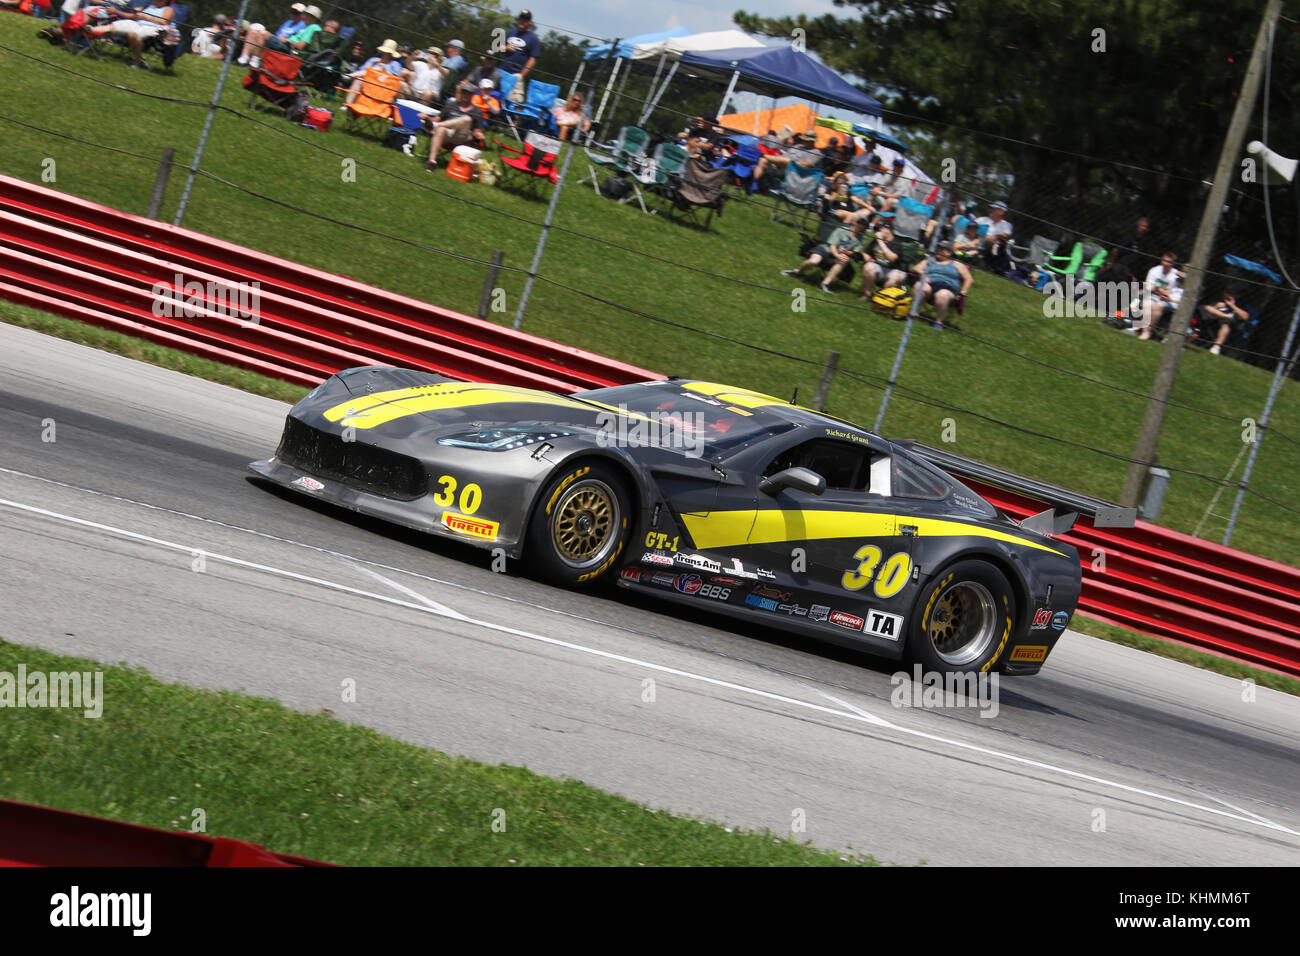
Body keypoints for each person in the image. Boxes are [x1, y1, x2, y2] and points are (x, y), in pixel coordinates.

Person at [780, 218, 869, 293]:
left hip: (838, 257)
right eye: (859, 223)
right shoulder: (842, 230)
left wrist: (847, 252)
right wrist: (837, 255)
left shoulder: (860, 239)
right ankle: (798, 272)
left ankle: (825, 284)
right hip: (825, 250)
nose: (860, 227)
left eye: (863, 226)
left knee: (845, 260)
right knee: (813, 261)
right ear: (854, 222)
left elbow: (855, 253)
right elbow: (832, 245)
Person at [95, 1, 174, 69]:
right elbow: (132, 16)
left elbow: (164, 22)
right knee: (114, 26)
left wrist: (146, 17)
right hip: (137, 24)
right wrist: (116, 11)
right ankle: (91, 30)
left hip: (152, 28)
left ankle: (137, 61)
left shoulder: (168, 9)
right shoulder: (150, 6)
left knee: (133, 35)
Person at [426, 83, 485, 170]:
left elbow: (477, 130)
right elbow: (438, 118)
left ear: (472, 95)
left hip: (462, 136)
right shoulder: (451, 105)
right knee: (441, 129)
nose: (465, 95)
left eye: (468, 93)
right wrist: (428, 119)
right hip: (446, 133)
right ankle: (431, 162)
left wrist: (479, 135)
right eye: (464, 92)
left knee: (467, 119)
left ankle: (437, 126)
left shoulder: (477, 111)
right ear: (460, 93)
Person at [912, 243, 972, 328]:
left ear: (949, 253)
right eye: (938, 249)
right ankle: (914, 313)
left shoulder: (957, 264)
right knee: (920, 286)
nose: (939, 251)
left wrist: (963, 292)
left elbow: (968, 278)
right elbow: (916, 268)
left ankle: (938, 322)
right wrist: (923, 274)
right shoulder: (931, 260)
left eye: (942, 249)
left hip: (948, 289)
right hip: (931, 285)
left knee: (942, 294)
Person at [344, 39, 404, 106]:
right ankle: (347, 105)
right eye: (383, 51)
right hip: (368, 82)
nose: (384, 54)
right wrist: (372, 64)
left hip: (382, 85)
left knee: (377, 69)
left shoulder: (395, 64)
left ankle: (350, 76)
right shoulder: (373, 60)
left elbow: (394, 81)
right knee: (358, 80)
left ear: (391, 54)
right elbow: (362, 71)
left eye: (387, 52)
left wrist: (385, 71)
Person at [1136, 252, 1181, 340]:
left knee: (1158, 306)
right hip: (1153, 296)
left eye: (1168, 262)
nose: (1165, 264)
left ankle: (1148, 331)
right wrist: (1160, 290)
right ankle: (1146, 332)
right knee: (1147, 304)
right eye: (1164, 261)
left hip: (1168, 300)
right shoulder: (1155, 270)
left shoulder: (1176, 275)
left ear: (1173, 264)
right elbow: (1148, 286)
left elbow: (1174, 292)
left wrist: (1160, 290)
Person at [499, 9, 540, 103]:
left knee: (514, 102)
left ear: (530, 22)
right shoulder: (511, 32)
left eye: (525, 20)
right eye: (521, 19)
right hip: (502, 71)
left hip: (516, 74)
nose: (522, 21)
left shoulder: (533, 38)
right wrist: (506, 48)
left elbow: (533, 59)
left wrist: (521, 75)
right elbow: (498, 48)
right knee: (497, 96)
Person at [858, 221, 906, 300]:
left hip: (891, 271)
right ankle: (867, 294)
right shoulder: (876, 240)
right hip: (878, 269)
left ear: (888, 230)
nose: (878, 232)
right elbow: (865, 253)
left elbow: (892, 258)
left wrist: (880, 241)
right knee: (868, 266)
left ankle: (881, 298)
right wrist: (867, 257)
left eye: (880, 229)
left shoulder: (896, 243)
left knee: (896, 277)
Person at [1199, 288, 1250, 355]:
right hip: (1212, 321)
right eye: (1227, 292)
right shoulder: (1219, 301)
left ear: (1237, 296)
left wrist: (1232, 305)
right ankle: (1228, 316)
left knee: (1225, 324)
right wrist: (1216, 307)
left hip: (1228, 325)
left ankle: (1216, 347)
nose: (1228, 295)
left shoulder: (1240, 305)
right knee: (1206, 307)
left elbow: (1246, 316)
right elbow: (1207, 309)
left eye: (1232, 293)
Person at [976, 200, 1014, 275]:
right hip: (978, 239)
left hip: (994, 244)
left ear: (1002, 212)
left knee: (991, 240)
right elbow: (971, 226)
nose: (991, 210)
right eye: (991, 208)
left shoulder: (1006, 224)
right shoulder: (982, 219)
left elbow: (1006, 235)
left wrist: (996, 236)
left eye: (994, 208)